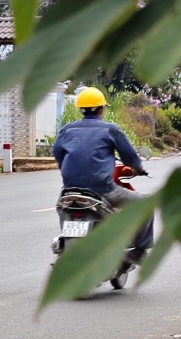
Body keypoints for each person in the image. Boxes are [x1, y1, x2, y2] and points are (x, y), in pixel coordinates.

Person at [52, 87, 152, 254]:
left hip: (70, 191)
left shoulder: (67, 130)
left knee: (62, 207)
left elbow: (58, 154)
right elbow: (129, 156)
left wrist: (67, 171)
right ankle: (139, 250)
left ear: (81, 109)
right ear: (101, 109)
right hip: (103, 191)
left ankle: (64, 242)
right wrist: (139, 168)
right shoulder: (110, 129)